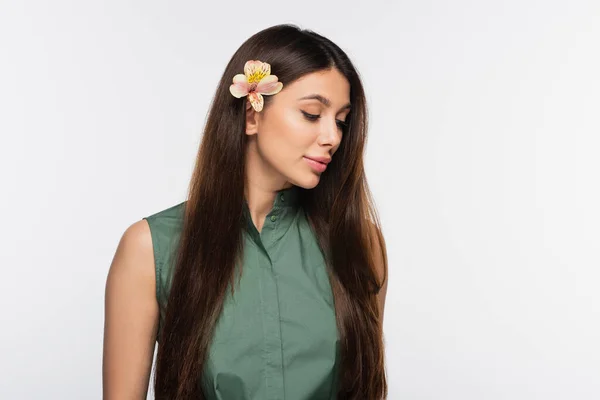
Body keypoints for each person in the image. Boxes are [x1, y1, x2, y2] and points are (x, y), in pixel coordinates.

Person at [102, 24, 389, 400]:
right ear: (251, 115)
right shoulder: (151, 248)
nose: (332, 137)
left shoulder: (359, 242)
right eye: (310, 113)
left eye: (341, 121)